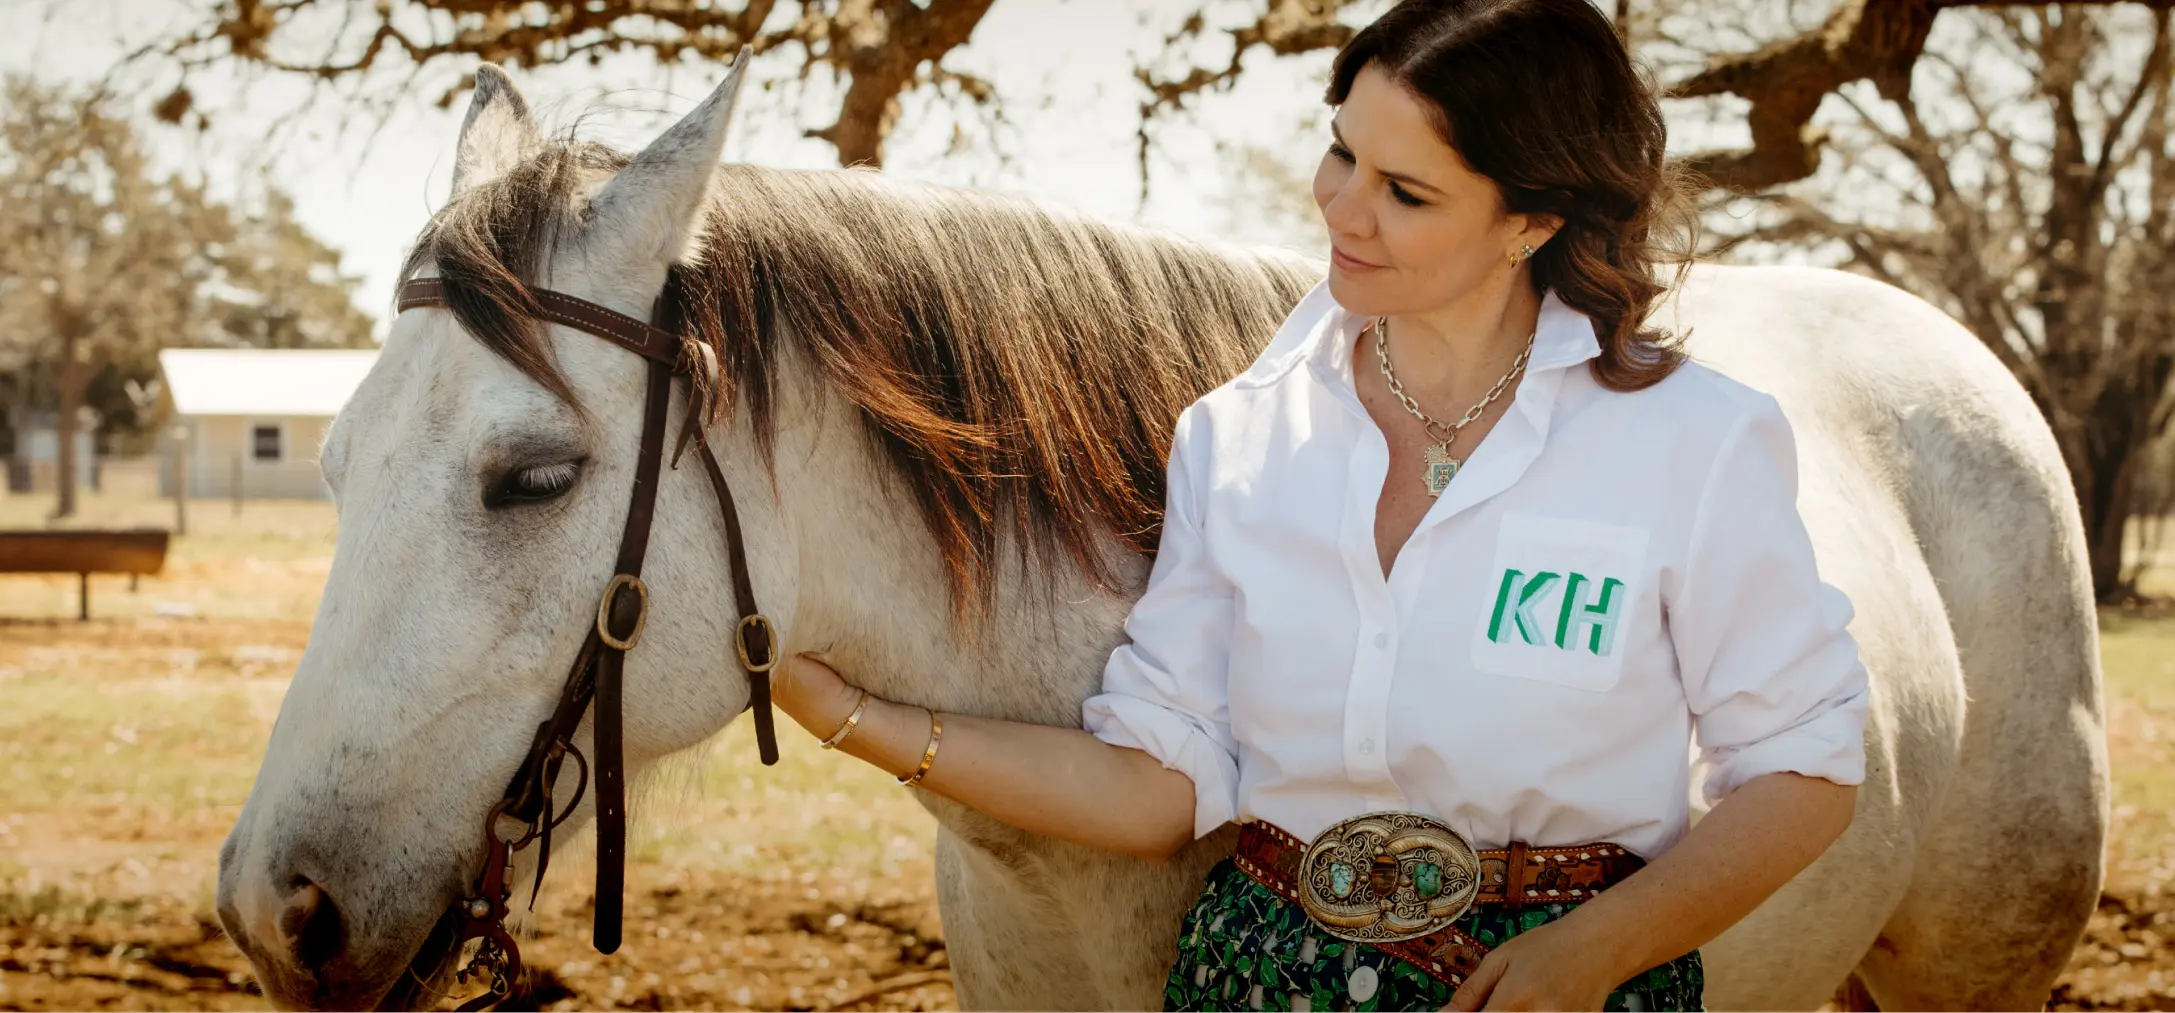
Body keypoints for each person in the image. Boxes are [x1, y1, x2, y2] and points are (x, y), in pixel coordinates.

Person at [771, 0, 1870, 1009]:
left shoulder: (1693, 440)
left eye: (1407, 192)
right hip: (1257, 977)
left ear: (1529, 223)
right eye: (1343, 150)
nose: (1343, 207)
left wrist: (1597, 949)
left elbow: (1803, 770)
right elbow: (1160, 784)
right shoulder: (1238, 436)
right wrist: (854, 719)